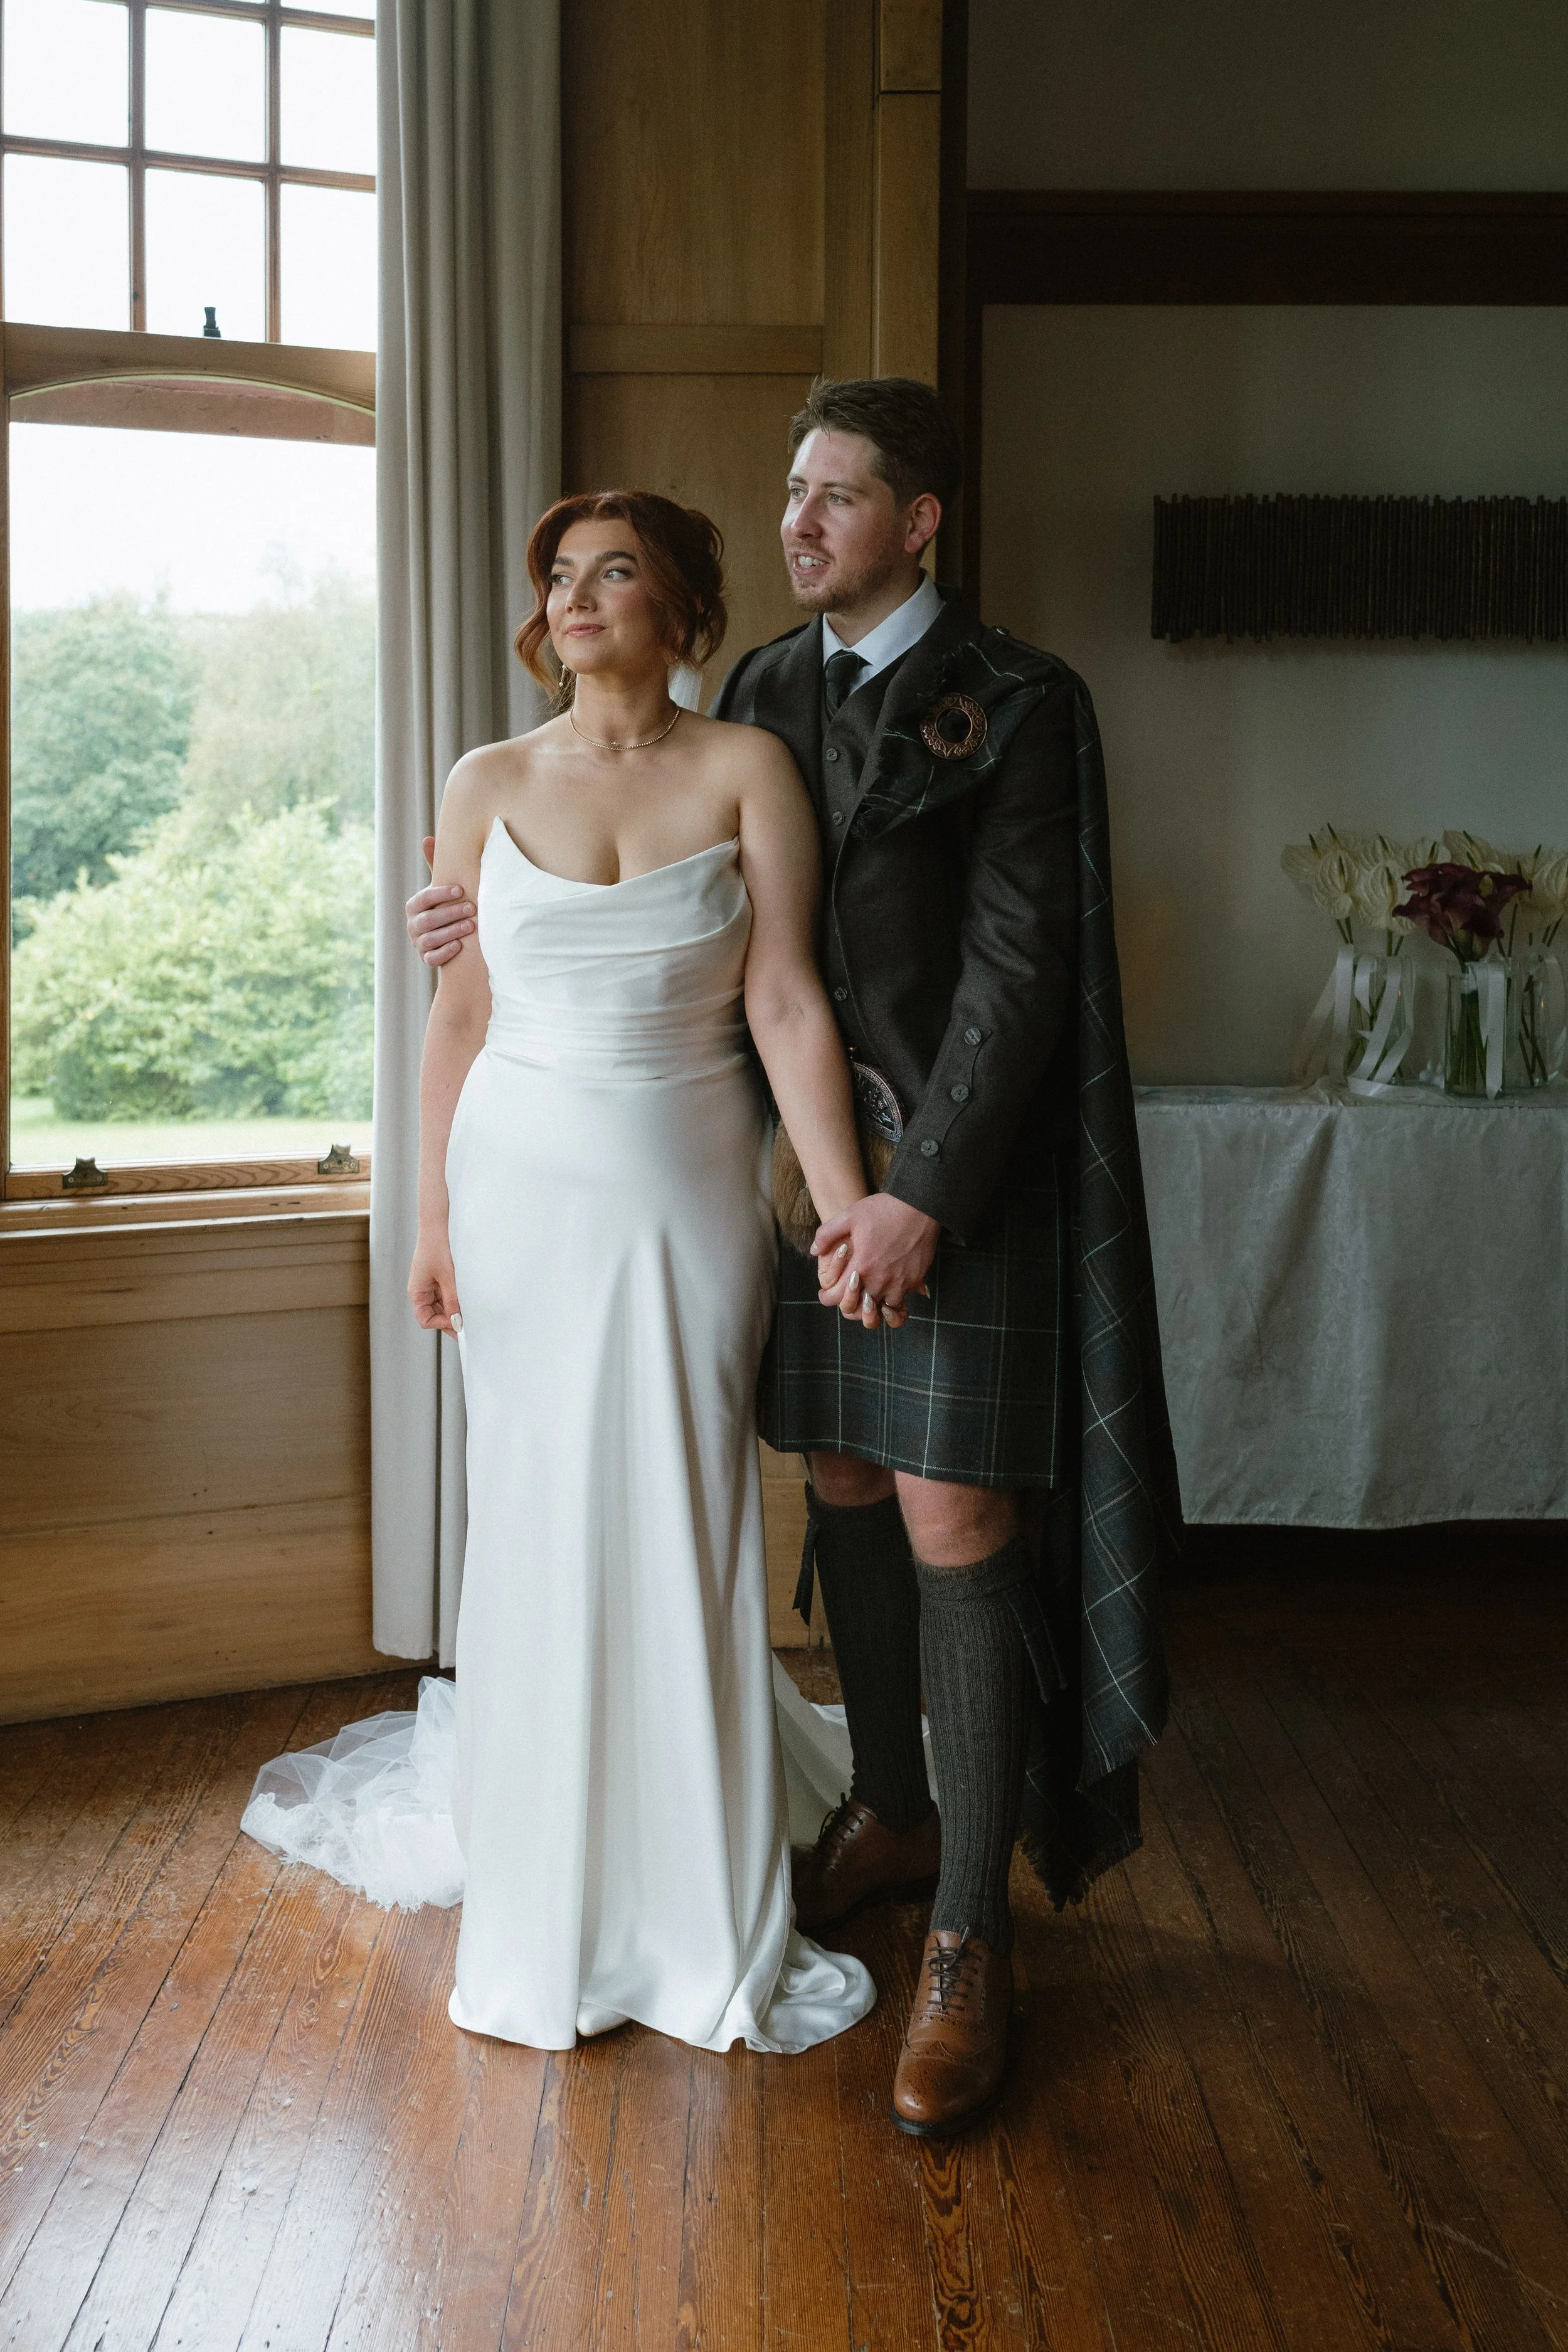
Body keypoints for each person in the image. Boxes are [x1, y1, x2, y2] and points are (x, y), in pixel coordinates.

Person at [408, 379, 1180, 2136]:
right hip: (782, 1186)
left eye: (838, 495)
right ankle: (893, 1809)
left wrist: (909, 1193)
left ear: (920, 521)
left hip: (935, 1189)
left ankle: (970, 1937)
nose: (799, 520)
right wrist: (482, 917)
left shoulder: (1025, 705)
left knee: (954, 1515)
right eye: (788, 492)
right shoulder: (754, 691)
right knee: (839, 1471)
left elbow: (1014, 975)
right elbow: (717, 952)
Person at [245, 489, 877, 2058]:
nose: (580, 597)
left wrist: (850, 1206)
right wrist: (432, 1221)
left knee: (678, 1496)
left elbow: (790, 1001)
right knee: (537, 1511)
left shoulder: (748, 768)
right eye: (562, 576)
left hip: (686, 1186)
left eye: (617, 574)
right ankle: (551, 1874)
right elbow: (455, 1020)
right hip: (514, 1186)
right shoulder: (482, 780)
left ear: (679, 609)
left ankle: (692, 1881)